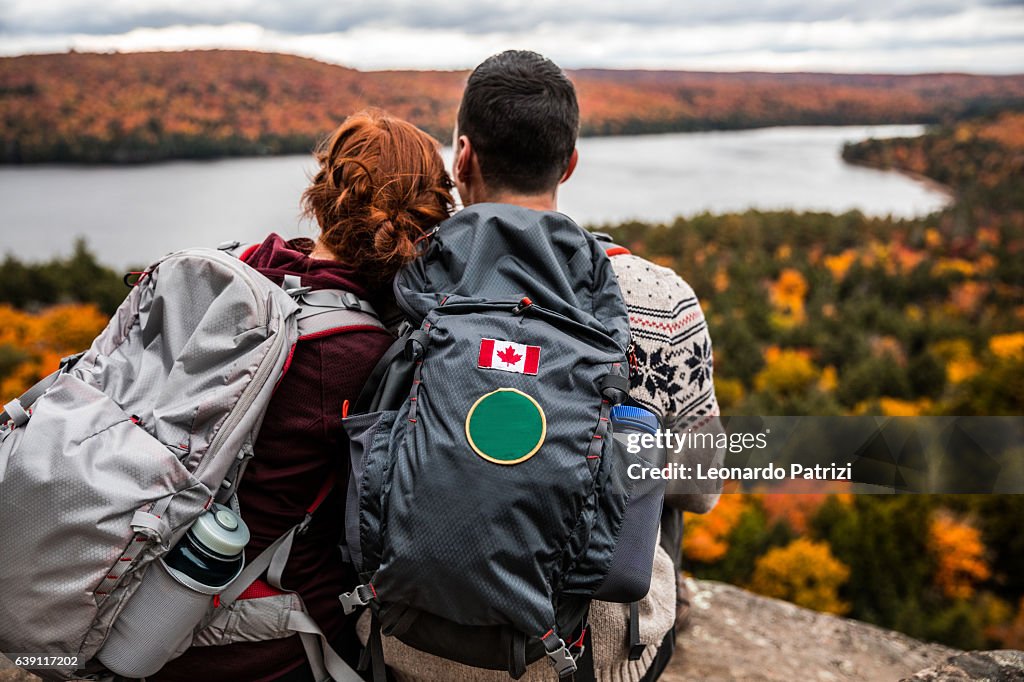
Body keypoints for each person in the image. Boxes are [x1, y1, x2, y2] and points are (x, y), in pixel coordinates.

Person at [366, 50, 723, 681]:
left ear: (464, 157)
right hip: (582, 654)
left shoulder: (407, 283)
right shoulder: (661, 299)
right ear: (570, 163)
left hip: (408, 637)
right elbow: (700, 487)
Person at [152, 109, 454, 682]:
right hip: (254, 640)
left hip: (155, 582)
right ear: (424, 222)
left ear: (323, 194)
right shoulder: (358, 352)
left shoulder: (244, 273)